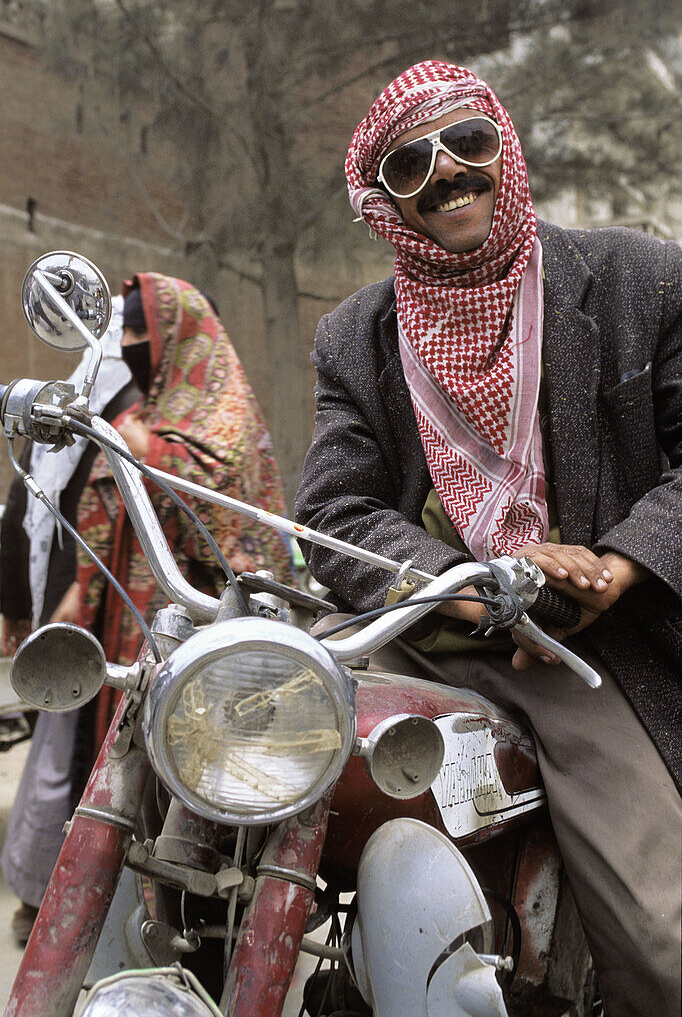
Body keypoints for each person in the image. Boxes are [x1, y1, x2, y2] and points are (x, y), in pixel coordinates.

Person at [295, 61, 681, 1017]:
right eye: (409, 164)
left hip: (599, 653)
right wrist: (462, 583)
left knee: (664, 945)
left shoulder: (640, 281)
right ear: (386, 202)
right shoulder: (355, 338)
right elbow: (334, 510)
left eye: (465, 143)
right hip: (435, 634)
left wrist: (620, 566)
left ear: (500, 147)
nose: (445, 172)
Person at [60, 272, 291, 755]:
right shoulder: (133, 420)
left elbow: (239, 533)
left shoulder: (231, 426)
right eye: (124, 332)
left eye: (141, 334)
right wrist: (79, 592)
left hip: (204, 644)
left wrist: (157, 457)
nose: (128, 345)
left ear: (184, 339)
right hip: (122, 638)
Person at [0, 297, 137, 944]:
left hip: (101, 613)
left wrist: (17, 609)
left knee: (80, 756)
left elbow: (14, 518)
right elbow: (18, 513)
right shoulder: (102, 415)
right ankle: (47, 900)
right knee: (68, 754)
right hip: (85, 614)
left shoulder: (70, 407)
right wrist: (25, 611)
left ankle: (55, 901)